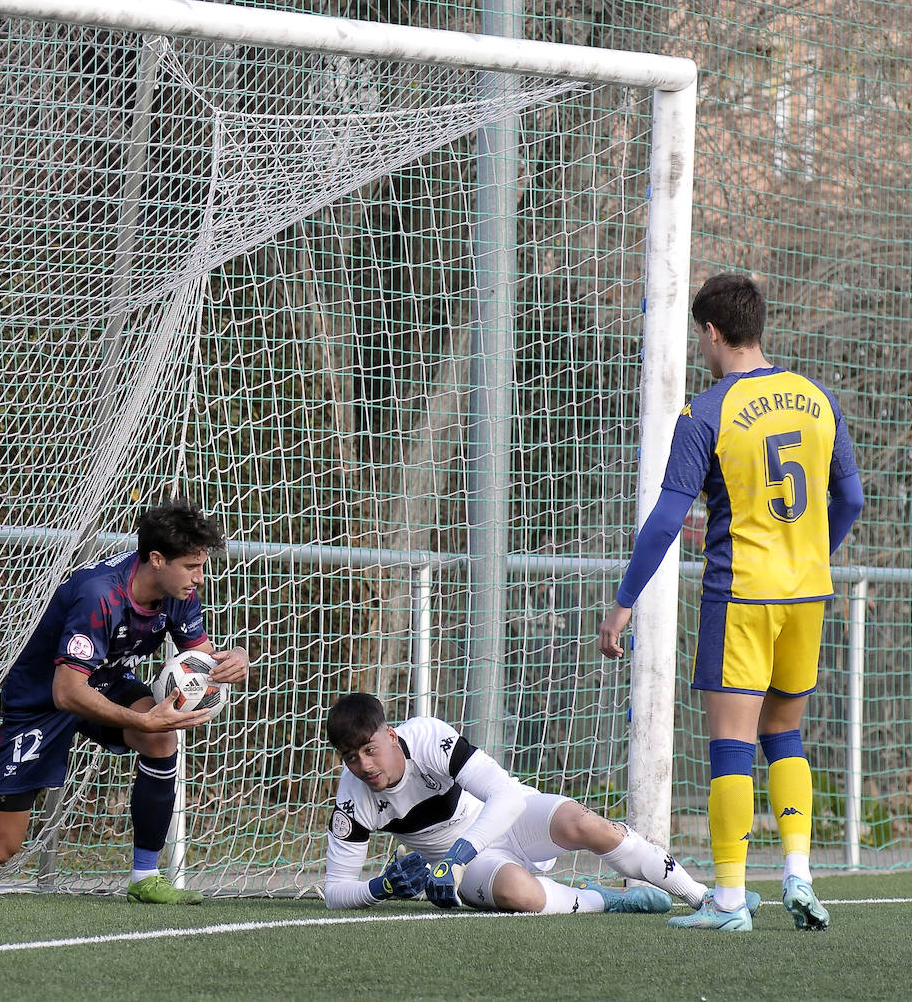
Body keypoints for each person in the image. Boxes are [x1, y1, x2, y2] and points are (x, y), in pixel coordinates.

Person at [598, 272, 864, 932]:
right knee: (786, 733)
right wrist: (813, 553)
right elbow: (852, 499)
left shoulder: (706, 411)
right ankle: (799, 872)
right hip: (807, 595)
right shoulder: (817, 397)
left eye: (701, 339)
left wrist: (624, 603)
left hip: (741, 595)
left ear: (712, 332)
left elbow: (665, 520)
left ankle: (728, 900)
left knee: (731, 745)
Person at [0, 499, 249, 904]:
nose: (200, 578)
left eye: (201, 566)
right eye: (192, 567)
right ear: (157, 559)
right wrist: (141, 720)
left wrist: (233, 662)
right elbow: (66, 692)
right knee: (1, 848)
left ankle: (145, 876)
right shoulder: (99, 595)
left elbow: (200, 662)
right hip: (42, 700)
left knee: (163, 739)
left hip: (107, 681)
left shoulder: (178, 592)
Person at [321, 692, 744, 918]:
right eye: (351, 757)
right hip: (471, 867)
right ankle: (605, 900)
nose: (364, 765)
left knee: (583, 822)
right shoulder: (352, 799)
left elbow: (504, 795)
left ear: (391, 736)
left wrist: (456, 857)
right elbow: (335, 890)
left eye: (370, 749)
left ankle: (702, 897)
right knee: (518, 895)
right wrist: (382, 888)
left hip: (503, 823)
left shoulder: (429, 737)